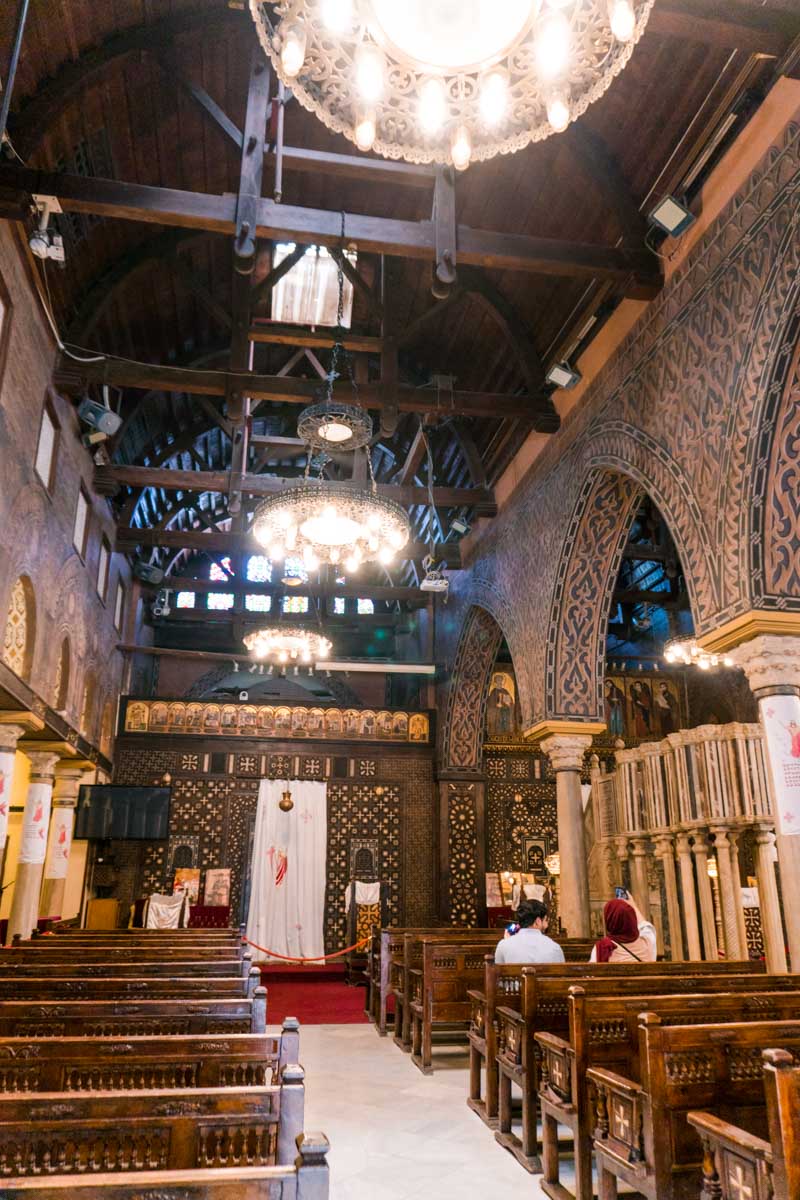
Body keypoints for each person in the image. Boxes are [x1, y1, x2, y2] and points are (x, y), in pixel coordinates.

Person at [590, 892, 657, 963]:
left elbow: (591, 973)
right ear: (632, 919)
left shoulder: (603, 948)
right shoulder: (647, 944)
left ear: (610, 921)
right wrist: (633, 906)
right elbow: (647, 927)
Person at [494, 899, 565, 964]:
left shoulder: (503, 945)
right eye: (545, 920)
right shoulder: (555, 947)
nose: (547, 924)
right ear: (537, 922)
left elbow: (497, 973)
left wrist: (507, 943)